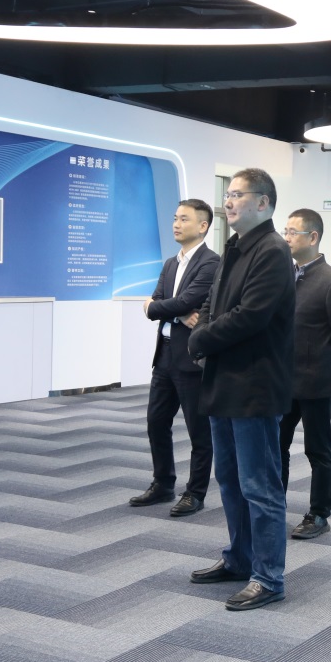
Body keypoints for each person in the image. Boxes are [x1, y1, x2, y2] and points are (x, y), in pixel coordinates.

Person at [187, 168, 295, 611]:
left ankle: (268, 577)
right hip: (224, 382)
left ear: (263, 202)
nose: (228, 202)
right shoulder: (234, 246)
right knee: (229, 480)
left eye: (237, 195)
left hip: (254, 385)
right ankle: (239, 558)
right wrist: (204, 329)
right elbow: (213, 303)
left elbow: (251, 315)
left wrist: (199, 339)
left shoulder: (273, 250)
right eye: (227, 194)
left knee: (259, 486)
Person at [129, 199, 219, 516]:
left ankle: (195, 493)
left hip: (191, 359)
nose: (176, 224)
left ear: (203, 226)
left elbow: (185, 300)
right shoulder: (170, 263)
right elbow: (161, 303)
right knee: (156, 422)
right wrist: (176, 314)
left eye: (184, 219)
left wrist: (162, 308)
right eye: (175, 218)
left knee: (198, 431)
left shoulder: (211, 262)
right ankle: (163, 484)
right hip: (164, 355)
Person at [279, 208, 331, 539]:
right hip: (282, 380)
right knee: (275, 446)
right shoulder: (285, 276)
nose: (286, 238)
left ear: (313, 237)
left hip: (316, 381)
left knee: (318, 450)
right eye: (285, 231)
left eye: (292, 232)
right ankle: (273, 503)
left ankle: (319, 514)